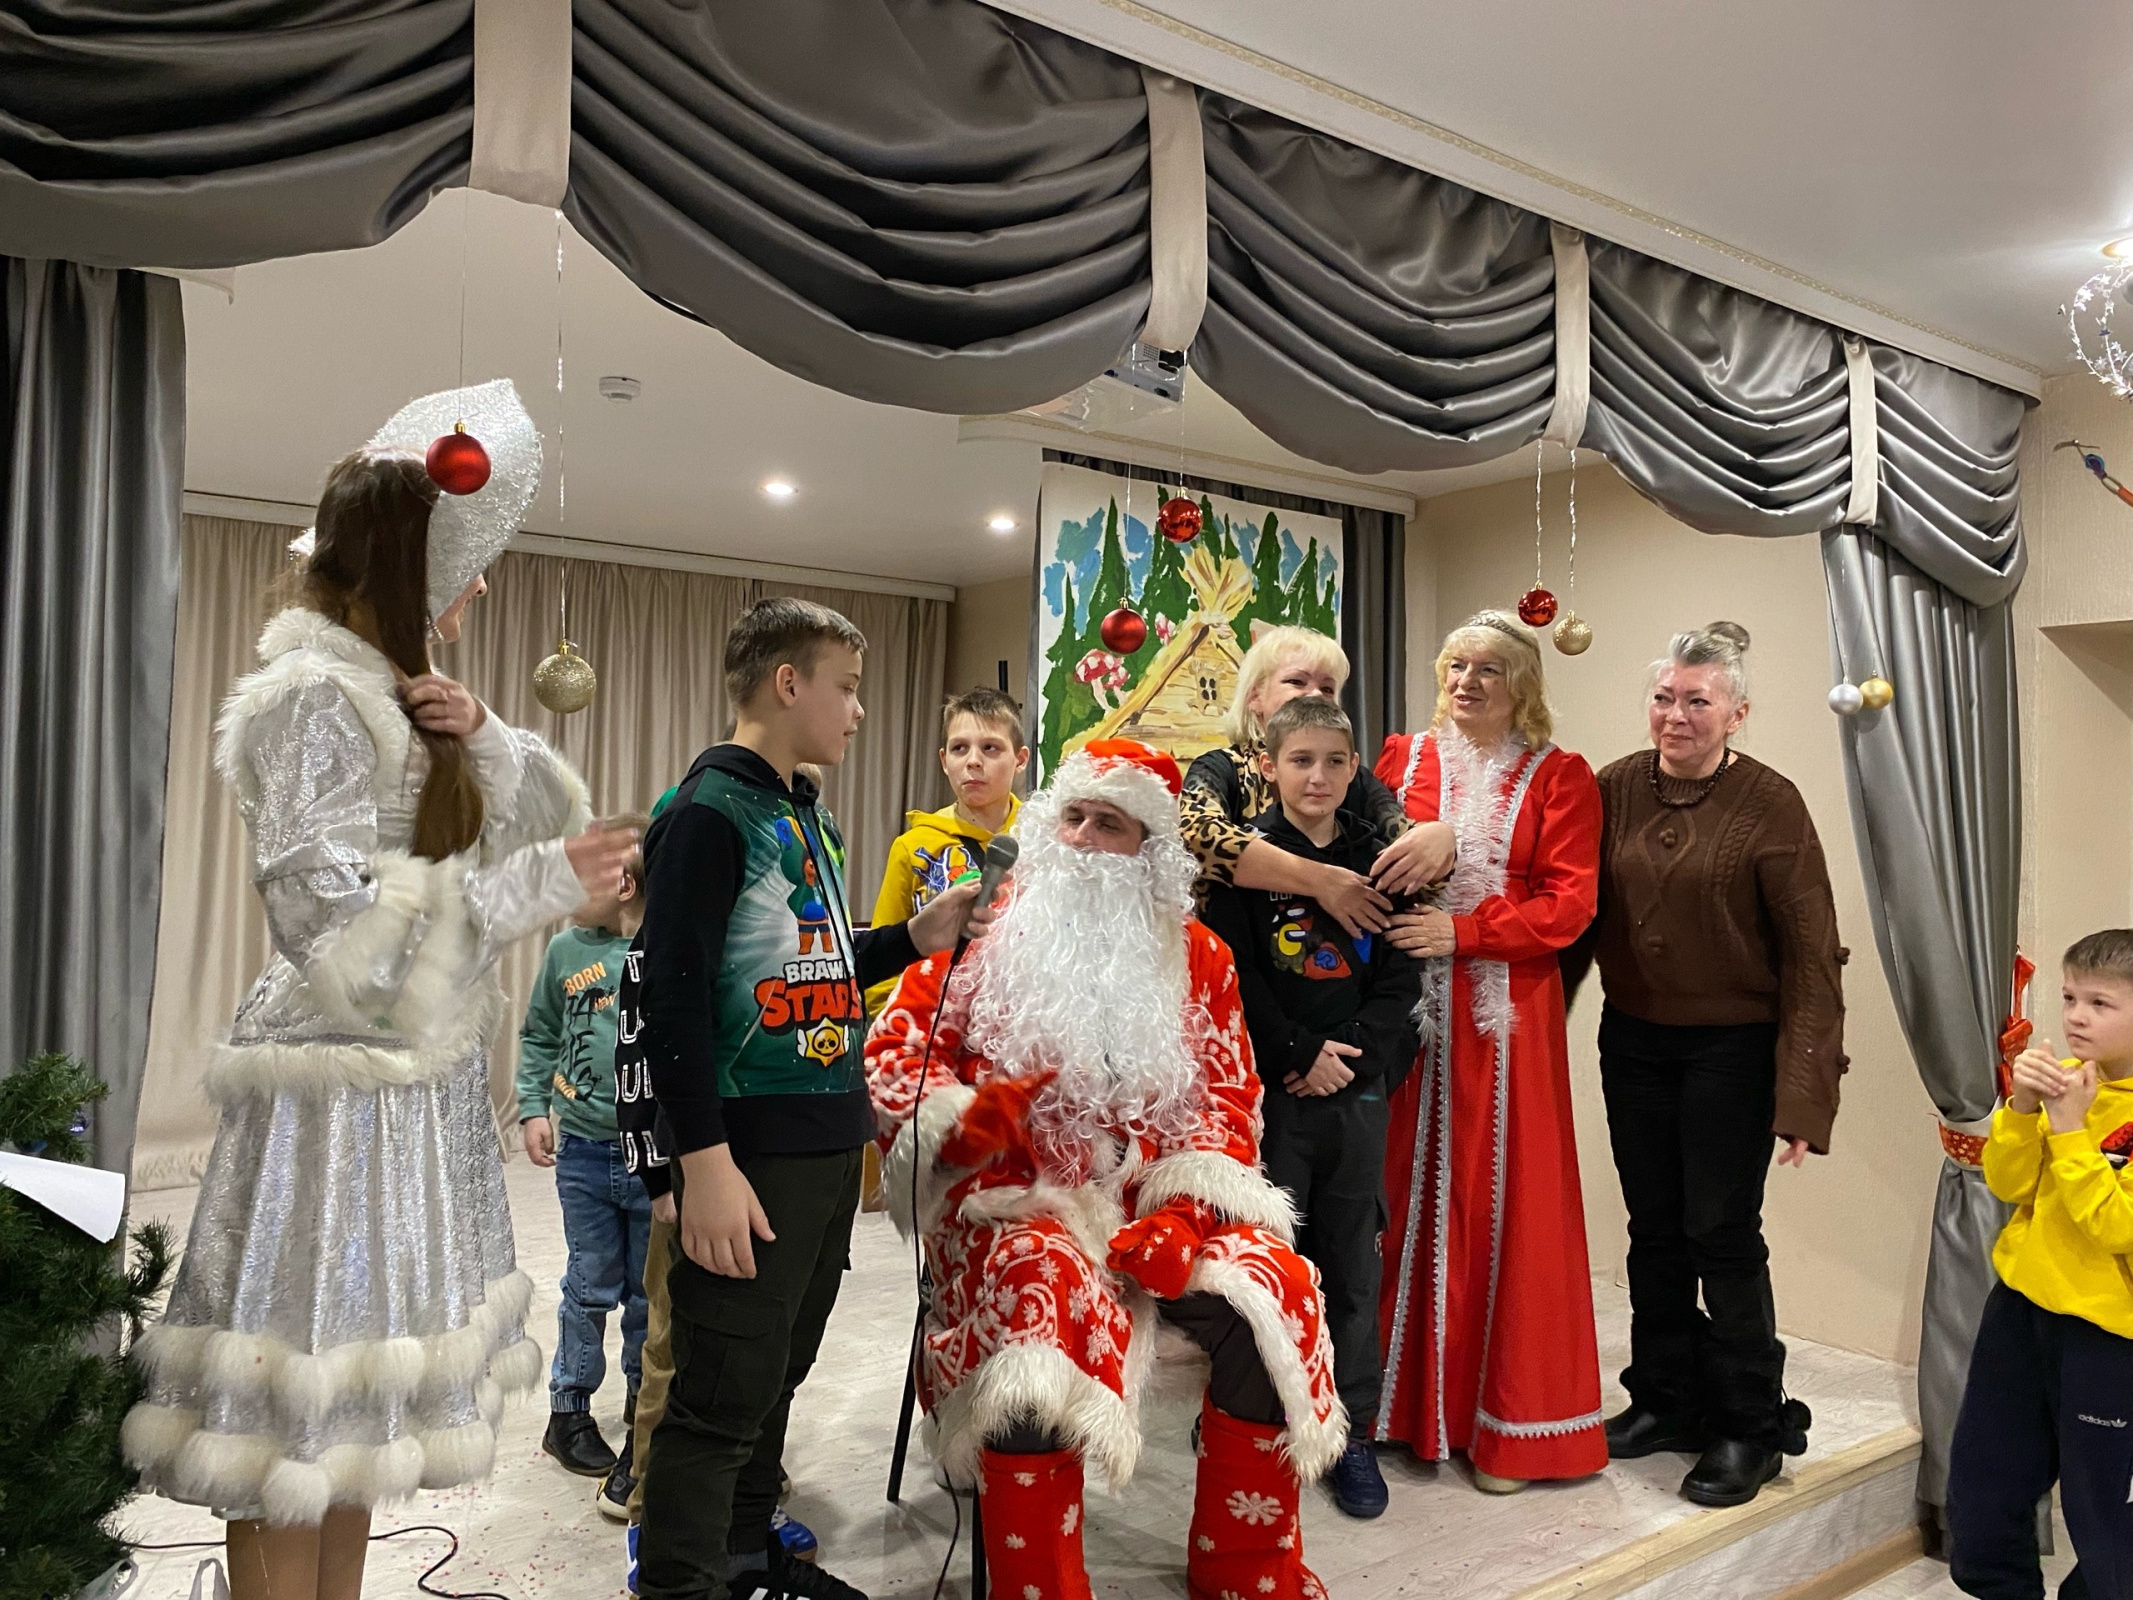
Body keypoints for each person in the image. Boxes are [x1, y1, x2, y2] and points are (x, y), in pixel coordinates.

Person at [120, 382, 638, 1600]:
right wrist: (531, 890)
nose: (483, 590)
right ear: (413, 570)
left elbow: (545, 807)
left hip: (395, 1080)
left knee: (354, 1417)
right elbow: (327, 924)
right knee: (290, 1415)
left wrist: (486, 731)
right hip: (333, 1092)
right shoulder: (313, 697)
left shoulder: (391, 694)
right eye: (467, 566)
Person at [867, 738, 1347, 1600]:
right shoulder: (984, 931)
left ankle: (1243, 1566)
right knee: (1037, 1289)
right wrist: (966, 1132)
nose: (1084, 839)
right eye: (1073, 817)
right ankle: (1037, 1583)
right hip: (1012, 1205)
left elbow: (1228, 1098)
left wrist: (1185, 1213)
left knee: (1276, 1287)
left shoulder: (1200, 957)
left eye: (1109, 824)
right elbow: (898, 1052)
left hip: (1153, 1202)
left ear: (1149, 850)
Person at [632, 597, 985, 1600]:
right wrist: (701, 1161)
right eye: (849, 688)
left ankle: (748, 1558)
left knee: (775, 1373)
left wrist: (912, 938)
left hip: (825, 1140)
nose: (860, 711)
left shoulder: (805, 812)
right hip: (750, 1148)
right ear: (788, 683)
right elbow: (668, 997)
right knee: (718, 1392)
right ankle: (682, 1584)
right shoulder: (706, 813)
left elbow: (815, 965)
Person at [1564, 622, 1843, 1508]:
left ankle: (1748, 1428)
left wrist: (1802, 1096)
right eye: (1663, 697)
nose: (1675, 715)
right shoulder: (1611, 786)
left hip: (1733, 1048)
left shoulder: (1771, 803)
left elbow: (1810, 956)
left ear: (1736, 714)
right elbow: (1573, 917)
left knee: (1718, 1233)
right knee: (1652, 1229)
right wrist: (1523, 1032)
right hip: (1633, 1040)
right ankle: (1665, 1400)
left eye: (1696, 701)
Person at [1374, 610, 1605, 1492]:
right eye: (1455, 665)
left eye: (1488, 669)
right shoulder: (1402, 760)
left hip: (1506, 1016)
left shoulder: (1557, 776)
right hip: (1407, 1007)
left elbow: (1569, 904)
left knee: (1505, 1198)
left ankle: (1507, 1427)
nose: (1466, 681)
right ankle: (1394, 1408)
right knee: (1399, 1190)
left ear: (1522, 686)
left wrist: (1465, 930)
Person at [1200, 696, 1421, 1520]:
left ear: (1355, 767)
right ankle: (1260, 1416)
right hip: (1275, 1097)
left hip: (1355, 1096)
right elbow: (1235, 977)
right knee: (1270, 1265)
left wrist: (1348, 1055)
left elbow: (1400, 980)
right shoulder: (1244, 864)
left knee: (1352, 1265)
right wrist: (1296, 1054)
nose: (1317, 777)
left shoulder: (1379, 860)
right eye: (1299, 761)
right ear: (1268, 767)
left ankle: (1348, 1429)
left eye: (1333, 762)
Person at [1948, 931, 2133, 1600]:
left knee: (2102, 1509)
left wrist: (2070, 1129)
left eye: (2100, 1003)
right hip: (2022, 1308)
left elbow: (2115, 1226)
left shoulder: (2087, 1107)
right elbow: (2007, 1183)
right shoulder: (2071, 1085)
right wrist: (2023, 1109)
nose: (2076, 1016)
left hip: (2109, 1338)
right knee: (1985, 1478)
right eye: (2069, 997)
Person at [517, 811, 655, 1486]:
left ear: (625, 883)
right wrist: (531, 1107)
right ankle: (568, 1411)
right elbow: (539, 1032)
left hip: (652, 1155)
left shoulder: (662, 949)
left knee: (648, 1291)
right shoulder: (564, 951)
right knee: (588, 1284)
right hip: (583, 1150)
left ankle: (642, 1402)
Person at [1181, 624, 1455, 933]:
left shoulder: (1353, 781)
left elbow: (1409, 863)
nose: (1314, 695)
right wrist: (1320, 881)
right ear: (1255, 697)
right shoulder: (1221, 768)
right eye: (1296, 681)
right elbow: (1196, 839)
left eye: (1327, 688)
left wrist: (1441, 838)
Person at [864, 685, 1027, 1015]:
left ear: (1020, 759)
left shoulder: (1045, 842)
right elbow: (883, 965)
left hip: (1021, 1026)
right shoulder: (914, 847)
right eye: (959, 748)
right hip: (930, 1024)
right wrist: (893, 1026)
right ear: (944, 760)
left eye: (991, 748)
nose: (973, 761)